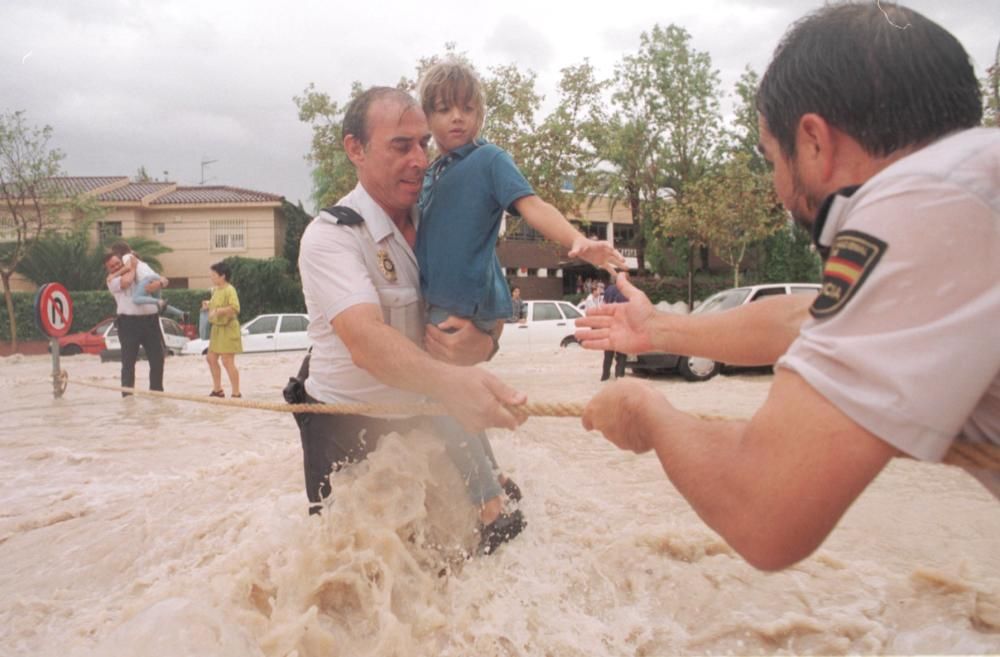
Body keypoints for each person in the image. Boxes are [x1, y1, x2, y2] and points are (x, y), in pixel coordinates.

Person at [575, 3, 998, 571]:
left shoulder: (923, 204)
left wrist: (646, 412)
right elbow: (812, 320)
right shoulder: (968, 187)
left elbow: (764, 509)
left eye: (772, 158)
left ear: (815, 142)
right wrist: (657, 330)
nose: (777, 187)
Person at [296, 86, 529, 554]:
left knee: (456, 557)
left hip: (430, 415)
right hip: (346, 429)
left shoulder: (445, 219)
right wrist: (453, 382)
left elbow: (490, 298)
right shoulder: (331, 237)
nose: (420, 159)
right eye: (401, 146)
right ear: (355, 149)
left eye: (424, 143)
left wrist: (484, 345)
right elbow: (365, 341)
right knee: (356, 571)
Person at [414, 58, 625, 336]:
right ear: (427, 117)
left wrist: (578, 239)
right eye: (444, 108)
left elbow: (533, 205)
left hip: (464, 308)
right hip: (429, 300)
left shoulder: (489, 159)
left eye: (467, 108)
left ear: (479, 114)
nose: (457, 116)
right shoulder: (429, 173)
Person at [103, 252, 166, 397]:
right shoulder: (111, 280)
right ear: (108, 269)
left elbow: (161, 280)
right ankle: (127, 398)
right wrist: (130, 267)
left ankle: (157, 395)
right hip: (128, 323)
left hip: (151, 321)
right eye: (112, 266)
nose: (116, 266)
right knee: (128, 362)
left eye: (118, 263)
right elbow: (127, 282)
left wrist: (160, 283)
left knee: (157, 359)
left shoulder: (142, 271)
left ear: (121, 260)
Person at [108, 241, 186, 322]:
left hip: (147, 279)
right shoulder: (135, 257)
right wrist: (160, 282)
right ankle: (181, 313)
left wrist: (114, 275)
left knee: (136, 299)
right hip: (155, 277)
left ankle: (160, 302)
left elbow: (128, 268)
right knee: (160, 305)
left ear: (118, 252)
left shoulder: (127, 257)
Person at [205, 261, 242, 398]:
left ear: (223, 276)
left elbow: (235, 309)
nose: (211, 277)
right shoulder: (216, 290)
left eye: (214, 275)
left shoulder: (229, 289)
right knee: (211, 358)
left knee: (227, 361)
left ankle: (236, 392)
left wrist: (218, 311)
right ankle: (218, 389)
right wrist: (208, 305)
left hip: (228, 329)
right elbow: (215, 305)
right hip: (217, 330)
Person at [600, 277, 627, 382]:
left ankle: (605, 376)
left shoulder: (608, 290)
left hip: (609, 324)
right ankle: (619, 376)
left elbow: (604, 305)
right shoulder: (625, 291)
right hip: (622, 325)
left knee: (608, 353)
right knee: (621, 354)